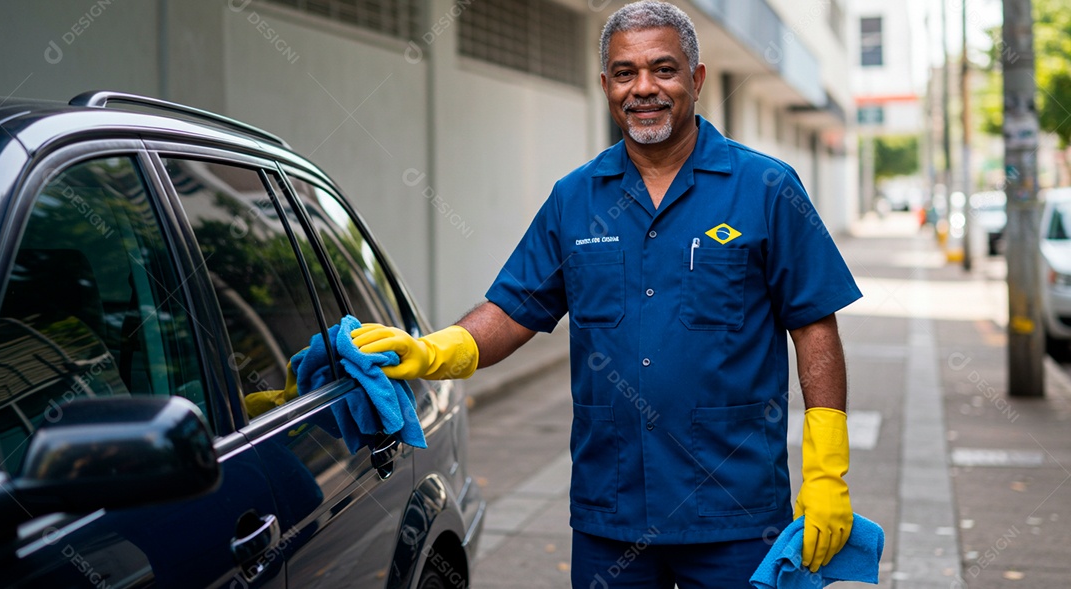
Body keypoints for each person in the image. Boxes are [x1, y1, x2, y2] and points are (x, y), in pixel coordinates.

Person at [351, 1, 861, 586]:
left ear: (695, 79)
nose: (644, 88)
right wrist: (431, 351)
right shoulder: (575, 198)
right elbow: (512, 310)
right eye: (625, 73)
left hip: (735, 511)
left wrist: (827, 471)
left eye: (663, 69)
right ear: (605, 85)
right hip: (611, 512)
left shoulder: (767, 188)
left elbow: (814, 325)